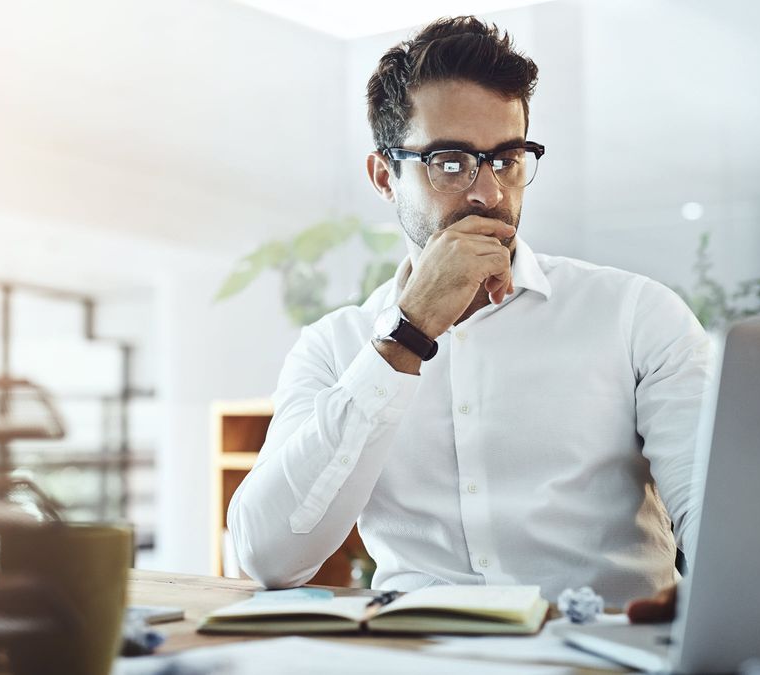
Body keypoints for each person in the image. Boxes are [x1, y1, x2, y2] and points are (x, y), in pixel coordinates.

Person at [228, 16, 711, 621]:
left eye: (508, 158)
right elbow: (269, 556)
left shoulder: (636, 315)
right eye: (450, 162)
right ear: (384, 177)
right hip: (419, 656)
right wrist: (406, 333)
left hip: (597, 653)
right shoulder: (334, 347)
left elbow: (720, 520)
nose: (489, 193)